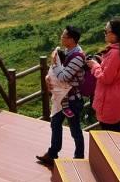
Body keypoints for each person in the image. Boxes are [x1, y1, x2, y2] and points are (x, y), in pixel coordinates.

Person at [36, 26, 86, 168]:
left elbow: (64, 77)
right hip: (63, 98)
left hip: (72, 99)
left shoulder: (78, 57)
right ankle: (52, 154)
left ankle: (79, 157)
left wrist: (54, 64)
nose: (61, 38)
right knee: (55, 123)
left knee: (75, 129)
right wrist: (49, 77)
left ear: (72, 40)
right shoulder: (67, 52)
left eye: (64, 36)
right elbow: (57, 73)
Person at [87, 18, 120, 132]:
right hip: (119, 95)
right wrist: (103, 62)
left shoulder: (115, 53)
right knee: (116, 131)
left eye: (106, 31)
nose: (104, 34)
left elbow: (106, 78)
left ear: (114, 34)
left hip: (109, 99)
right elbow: (116, 70)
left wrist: (95, 65)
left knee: (109, 134)